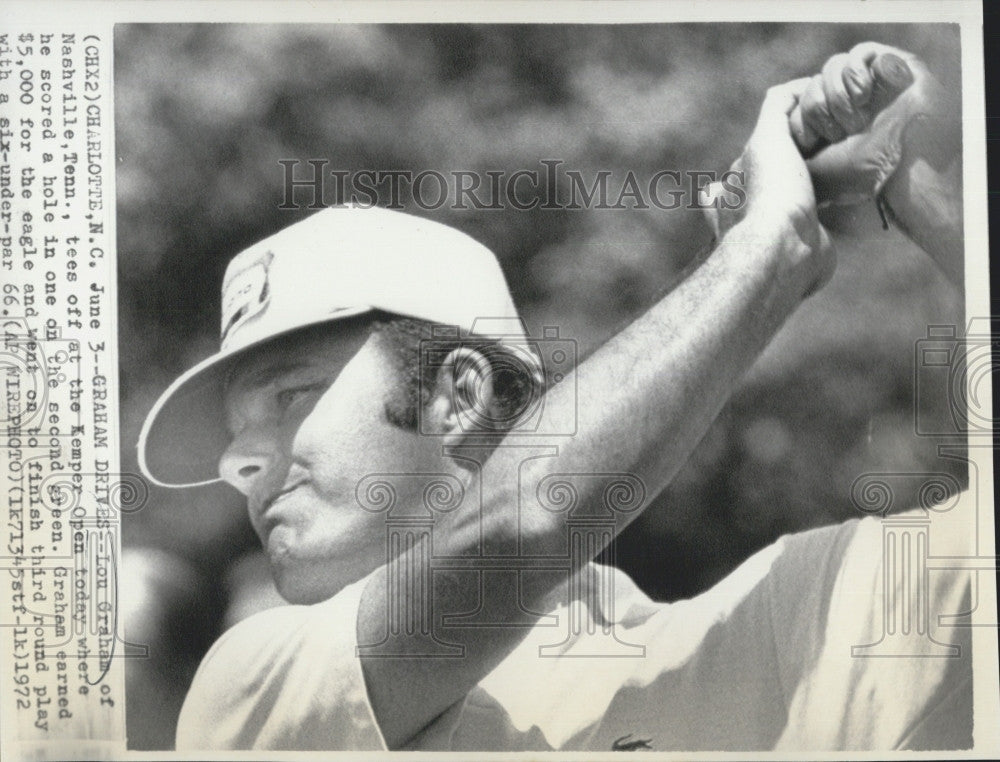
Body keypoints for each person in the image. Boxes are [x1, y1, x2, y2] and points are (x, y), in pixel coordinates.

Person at [137, 42, 972, 751]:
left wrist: (935, 193)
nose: (240, 463)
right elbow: (522, 526)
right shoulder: (243, 694)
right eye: (236, 440)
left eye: (287, 398)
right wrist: (769, 248)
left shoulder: (785, 624)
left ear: (457, 396)